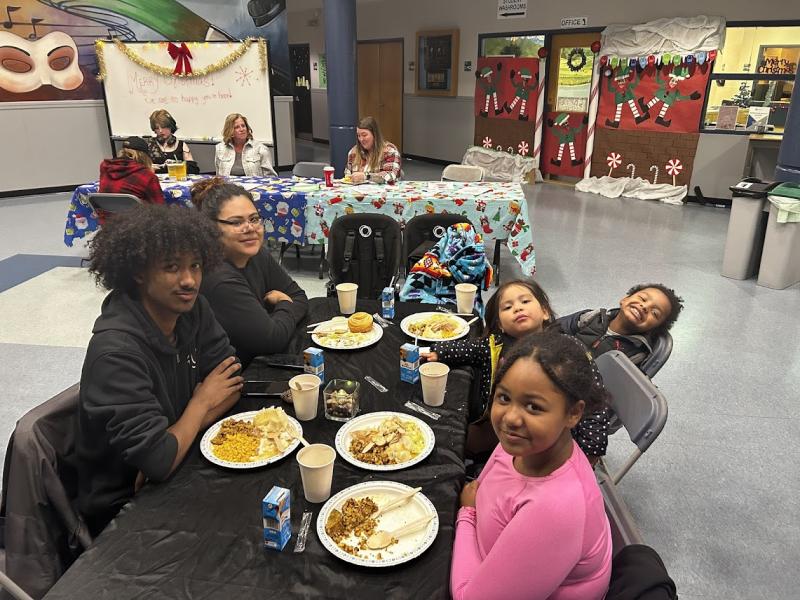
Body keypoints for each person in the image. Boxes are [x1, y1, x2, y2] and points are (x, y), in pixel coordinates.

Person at [77, 205, 243, 537]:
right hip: (123, 505)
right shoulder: (116, 354)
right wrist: (200, 403)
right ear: (139, 272)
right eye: (171, 268)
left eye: (195, 266)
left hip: (177, 464)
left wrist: (178, 436)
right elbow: (156, 462)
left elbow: (232, 382)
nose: (189, 281)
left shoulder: (193, 311)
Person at [450, 330, 612, 600]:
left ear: (573, 413)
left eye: (534, 407)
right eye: (504, 398)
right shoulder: (523, 444)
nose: (511, 418)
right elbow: (483, 487)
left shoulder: (555, 509)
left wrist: (466, 515)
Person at [193, 177, 308, 367]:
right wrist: (284, 303)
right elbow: (272, 340)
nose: (250, 228)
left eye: (254, 219)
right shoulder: (218, 278)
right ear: (211, 229)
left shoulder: (254, 252)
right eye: (236, 222)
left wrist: (279, 315)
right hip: (238, 375)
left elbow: (300, 295)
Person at [557, 283, 684, 368]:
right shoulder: (591, 317)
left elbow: (614, 385)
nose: (644, 307)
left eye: (655, 313)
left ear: (654, 329)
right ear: (624, 300)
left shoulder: (636, 354)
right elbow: (555, 329)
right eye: (643, 299)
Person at [98, 136, 164, 207]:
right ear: (144, 156)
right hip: (134, 217)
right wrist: (150, 173)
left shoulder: (105, 167)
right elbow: (159, 207)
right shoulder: (147, 176)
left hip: (106, 216)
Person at [215, 113, 277, 177]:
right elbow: (218, 177)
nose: (242, 129)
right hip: (228, 185)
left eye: (243, 126)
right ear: (230, 131)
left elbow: (271, 177)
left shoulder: (261, 149)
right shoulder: (220, 148)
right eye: (237, 127)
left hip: (252, 186)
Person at [344, 116, 402, 184]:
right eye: (358, 135)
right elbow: (347, 175)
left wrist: (366, 176)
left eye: (364, 135)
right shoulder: (353, 152)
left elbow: (390, 177)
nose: (361, 139)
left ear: (375, 135)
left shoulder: (390, 152)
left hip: (383, 193)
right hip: (358, 193)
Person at [146, 109, 199, 174]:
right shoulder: (148, 145)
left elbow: (194, 169)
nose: (160, 131)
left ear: (170, 126)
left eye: (163, 127)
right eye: (157, 128)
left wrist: (175, 164)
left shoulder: (181, 145)